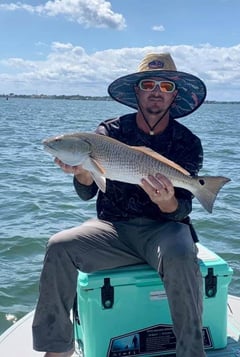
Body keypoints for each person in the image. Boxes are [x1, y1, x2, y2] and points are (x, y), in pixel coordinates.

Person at [32, 52, 207, 357]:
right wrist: (84, 172)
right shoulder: (109, 132)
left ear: (174, 95)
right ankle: (57, 349)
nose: (156, 91)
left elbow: (182, 209)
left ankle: (191, 353)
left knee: (181, 252)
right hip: (111, 230)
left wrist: (166, 201)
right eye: (149, 84)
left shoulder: (187, 142)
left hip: (164, 231)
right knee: (59, 245)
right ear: (137, 91)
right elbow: (87, 193)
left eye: (165, 86)